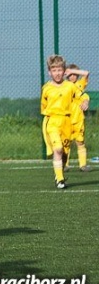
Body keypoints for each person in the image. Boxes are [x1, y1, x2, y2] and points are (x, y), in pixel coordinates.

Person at [40, 55, 86, 189]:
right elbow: (44, 106)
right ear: (49, 72)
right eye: (54, 70)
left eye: (59, 70)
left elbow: (82, 95)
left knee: (64, 153)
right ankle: (60, 179)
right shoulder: (46, 88)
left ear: (64, 70)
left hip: (67, 122)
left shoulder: (70, 86)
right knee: (58, 149)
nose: (57, 73)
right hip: (53, 121)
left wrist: (85, 101)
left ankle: (59, 174)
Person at [65, 64, 90, 172]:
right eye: (70, 74)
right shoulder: (64, 86)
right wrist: (67, 72)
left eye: (75, 74)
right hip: (67, 119)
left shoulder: (80, 85)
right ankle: (64, 165)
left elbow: (86, 73)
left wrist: (72, 70)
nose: (73, 76)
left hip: (79, 119)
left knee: (80, 141)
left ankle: (83, 165)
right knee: (66, 142)